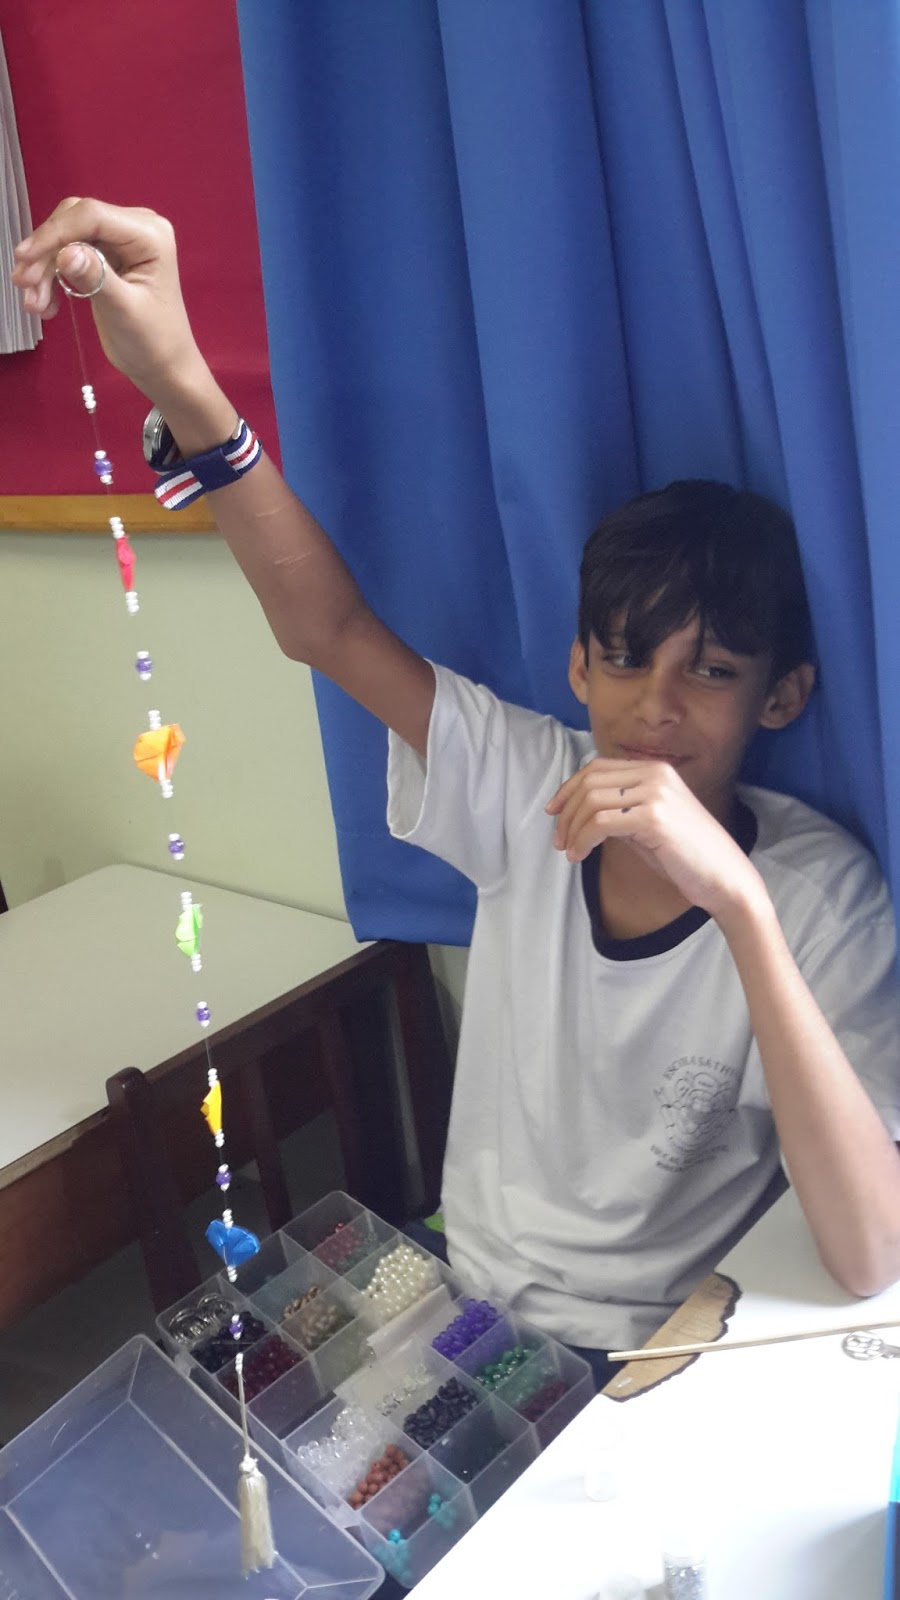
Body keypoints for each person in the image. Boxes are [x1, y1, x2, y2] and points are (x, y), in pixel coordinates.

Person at [13, 202, 900, 1390]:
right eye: (625, 660)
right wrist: (183, 380)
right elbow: (328, 628)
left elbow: (869, 1251)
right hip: (463, 1299)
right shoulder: (529, 781)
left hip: (657, 1357)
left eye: (711, 673)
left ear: (781, 696)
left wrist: (741, 904)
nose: (655, 709)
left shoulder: (821, 895)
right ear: (578, 669)